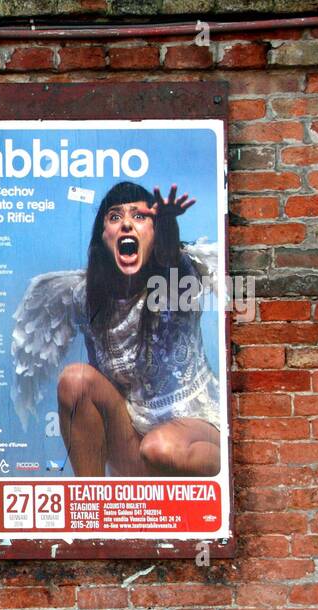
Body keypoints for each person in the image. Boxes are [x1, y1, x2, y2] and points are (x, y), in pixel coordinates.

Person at [11, 181, 221, 477]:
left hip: (194, 435)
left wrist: (169, 224)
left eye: (139, 216)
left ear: (154, 232)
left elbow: (173, 259)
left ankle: (216, 483)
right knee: (75, 380)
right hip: (134, 440)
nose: (126, 224)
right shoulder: (85, 296)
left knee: (160, 448)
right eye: (115, 217)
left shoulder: (175, 282)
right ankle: (92, 509)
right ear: (103, 235)